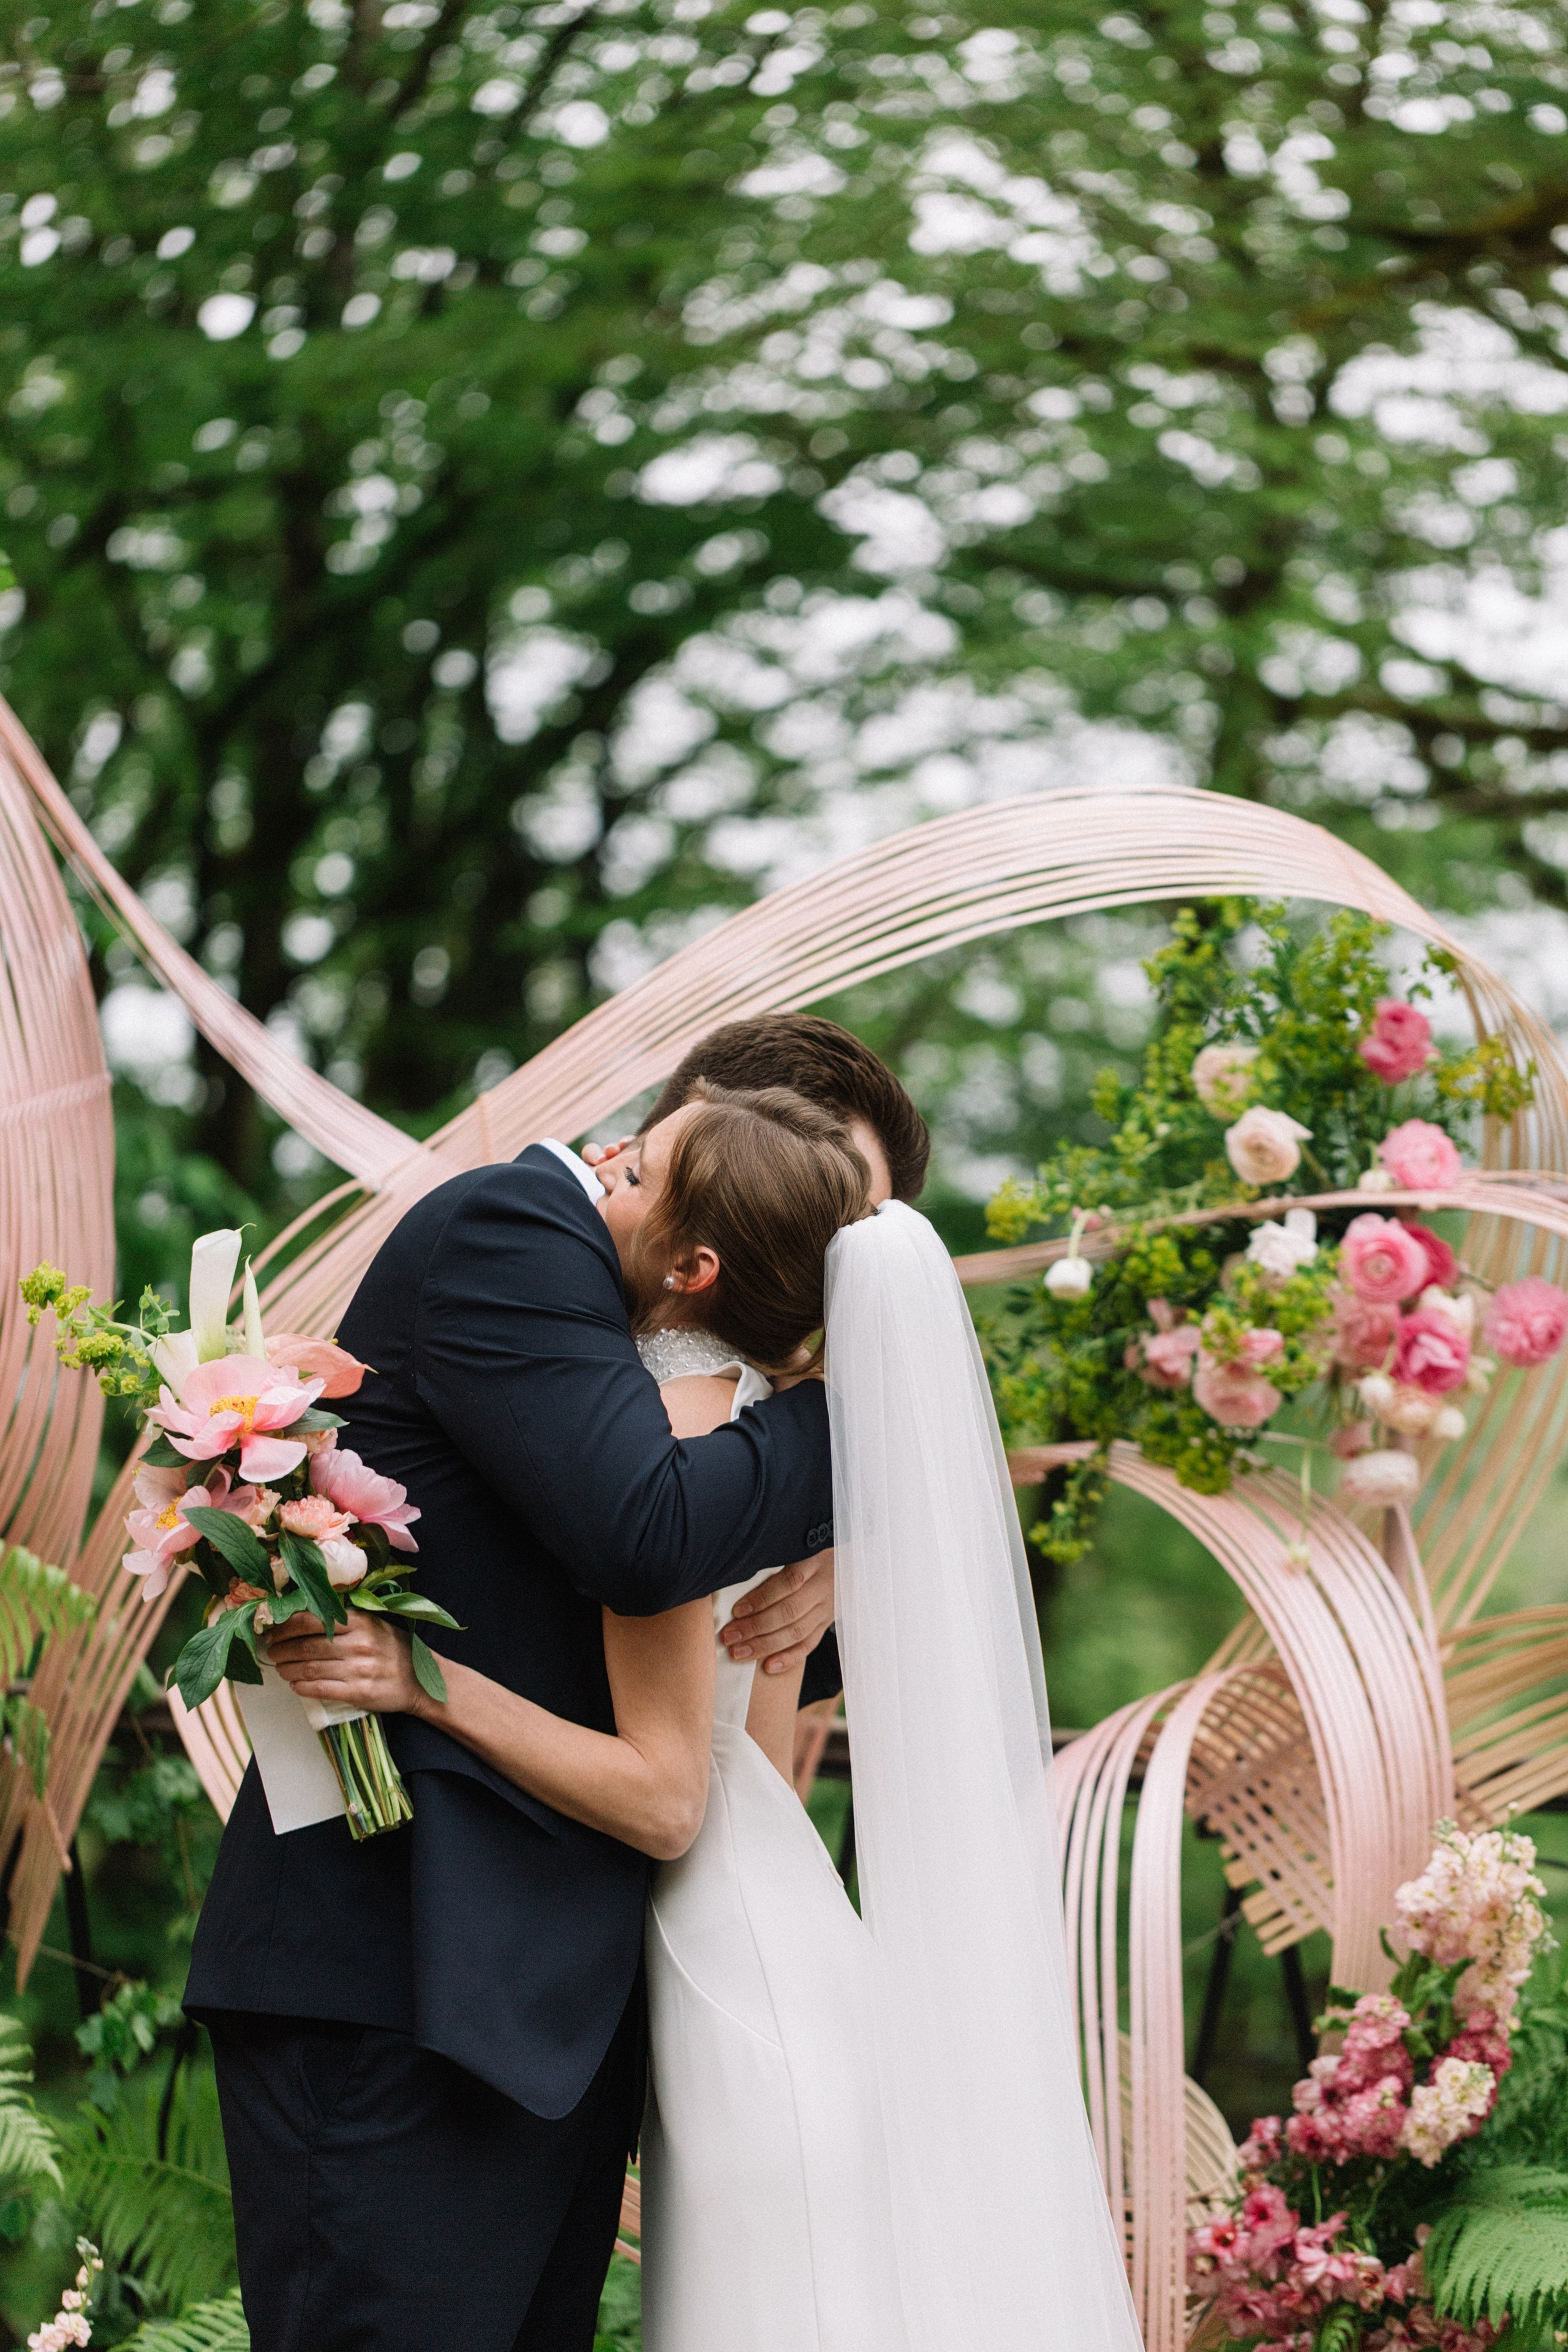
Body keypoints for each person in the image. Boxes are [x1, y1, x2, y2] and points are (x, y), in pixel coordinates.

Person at [276, 1088, 1144, 2352]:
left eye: (635, 1168)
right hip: (739, 1942)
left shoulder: (683, 1431)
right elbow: (758, 1749)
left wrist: (420, 1682)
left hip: (694, 1968)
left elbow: (676, 1779)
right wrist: (882, 1446)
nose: (599, 1170)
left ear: (697, 1260)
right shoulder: (727, 1450)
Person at [184, 1020, 924, 2352]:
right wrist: (889, 1381)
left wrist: (847, 1556)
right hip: (395, 1973)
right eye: (819, 1231)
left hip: (548, 2012)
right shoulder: (513, 1232)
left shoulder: (672, 1365)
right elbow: (639, 1537)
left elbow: (718, 1679)